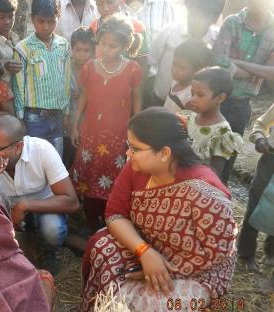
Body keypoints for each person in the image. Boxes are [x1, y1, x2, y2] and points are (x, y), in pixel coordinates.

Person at [80, 107, 237, 312]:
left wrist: (163, 270)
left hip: (196, 272)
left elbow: (218, 253)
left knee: (155, 305)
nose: (128, 153)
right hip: (148, 248)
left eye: (135, 148)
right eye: (129, 146)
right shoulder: (135, 167)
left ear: (164, 153)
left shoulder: (205, 192)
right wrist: (145, 252)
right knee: (102, 245)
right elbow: (115, 214)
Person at [0, 115, 79, 275]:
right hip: (7, 213)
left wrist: (24, 206)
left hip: (44, 206)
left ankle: (49, 252)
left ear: (18, 147)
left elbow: (72, 201)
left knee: (52, 229)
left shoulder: (42, 150)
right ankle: (21, 244)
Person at [70, 14, 142, 231]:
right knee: (90, 175)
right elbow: (84, 96)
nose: (106, 49)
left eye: (113, 45)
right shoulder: (89, 68)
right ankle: (91, 221)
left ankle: (110, 220)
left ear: (125, 45)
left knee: (113, 178)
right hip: (91, 132)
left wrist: (135, 134)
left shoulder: (133, 69)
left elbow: (137, 103)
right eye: (103, 44)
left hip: (119, 134)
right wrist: (75, 124)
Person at [213, 0, 274, 183]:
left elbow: (272, 73)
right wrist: (257, 70)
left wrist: (236, 63)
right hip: (215, 102)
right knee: (203, 156)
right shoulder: (232, 22)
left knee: (225, 165)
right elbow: (220, 61)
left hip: (241, 107)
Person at [13, 0, 71, 156]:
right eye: (41, 21)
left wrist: (66, 112)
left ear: (58, 18)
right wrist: (20, 118)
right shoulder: (23, 48)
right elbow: (18, 86)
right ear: (33, 19)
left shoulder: (63, 45)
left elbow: (66, 81)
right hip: (33, 118)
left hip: (57, 118)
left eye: (51, 21)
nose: (46, 26)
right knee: (34, 164)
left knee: (56, 165)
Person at [147, 0, 226, 107]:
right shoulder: (169, 32)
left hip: (190, 108)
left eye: (202, 16)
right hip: (158, 101)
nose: (195, 20)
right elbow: (148, 64)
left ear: (215, 19)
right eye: (192, 13)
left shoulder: (217, 43)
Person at [186, 67, 243, 183]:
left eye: (200, 95)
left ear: (220, 98)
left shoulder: (221, 133)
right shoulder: (189, 118)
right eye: (192, 93)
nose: (193, 99)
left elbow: (214, 173)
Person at [237, 103, 274, 272]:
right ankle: (246, 254)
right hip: (270, 159)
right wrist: (259, 138)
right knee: (256, 205)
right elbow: (260, 124)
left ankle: (271, 252)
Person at [63, 26, 95, 168]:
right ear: (72, 49)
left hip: (89, 120)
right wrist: (67, 93)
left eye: (86, 50)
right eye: (77, 50)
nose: (81, 55)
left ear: (93, 51)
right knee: (68, 153)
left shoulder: (97, 69)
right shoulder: (64, 66)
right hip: (67, 118)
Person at [163, 38, 213, 113]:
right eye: (174, 64)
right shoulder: (176, 80)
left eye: (182, 68)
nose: (175, 70)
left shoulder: (190, 96)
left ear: (197, 70)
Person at [0, 0, 22, 82]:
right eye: (2, 17)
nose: (7, 22)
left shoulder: (18, 41)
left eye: (11, 16)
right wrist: (4, 68)